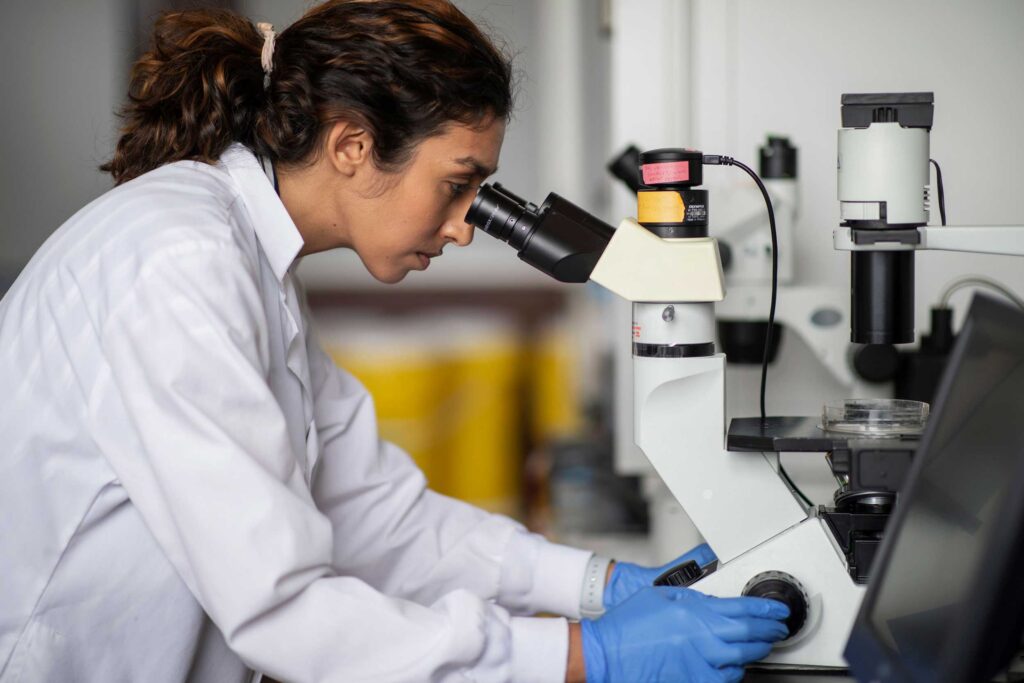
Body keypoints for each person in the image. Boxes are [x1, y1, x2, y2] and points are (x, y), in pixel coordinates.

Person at [0, 1, 790, 681]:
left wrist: (600, 584)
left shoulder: (244, 259)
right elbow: (285, 606)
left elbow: (373, 514)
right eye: (458, 185)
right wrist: (586, 655)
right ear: (351, 145)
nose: (462, 227)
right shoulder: (181, 262)